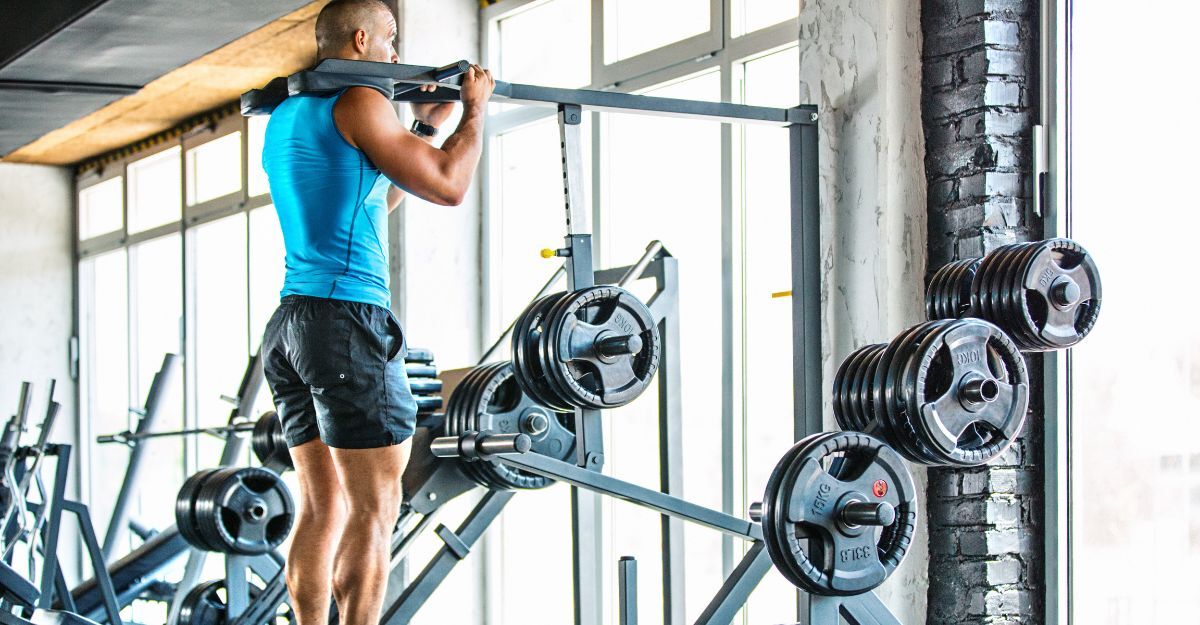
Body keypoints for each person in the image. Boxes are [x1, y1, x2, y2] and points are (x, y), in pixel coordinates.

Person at [258, 1, 494, 623]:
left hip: (291, 324)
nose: (395, 55)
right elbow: (448, 184)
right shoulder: (360, 100)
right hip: (345, 323)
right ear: (360, 39)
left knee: (322, 504)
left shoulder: (286, 115)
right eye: (390, 41)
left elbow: (367, 198)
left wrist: (420, 130)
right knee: (376, 506)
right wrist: (474, 111)